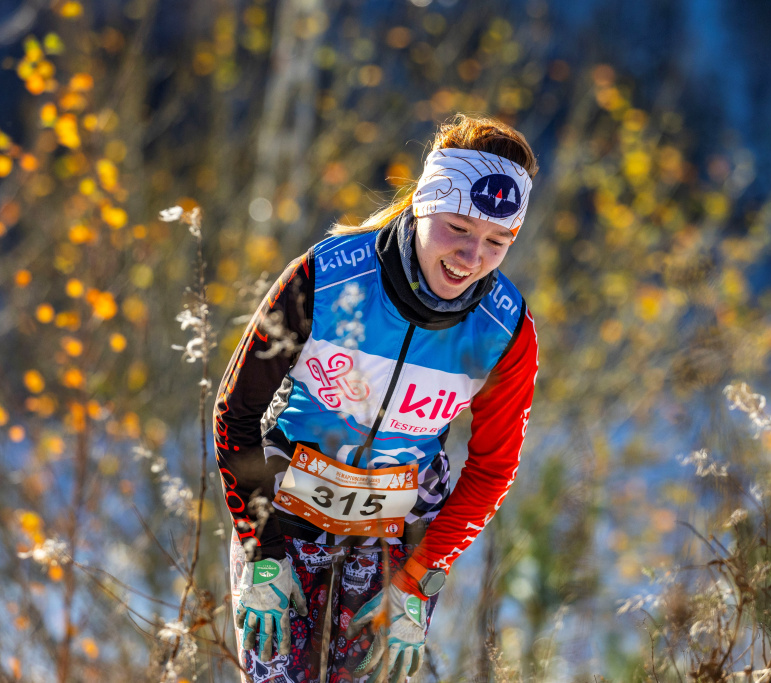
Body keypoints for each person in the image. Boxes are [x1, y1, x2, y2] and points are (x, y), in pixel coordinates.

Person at [213, 113, 539, 683]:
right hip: (284, 509)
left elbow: (493, 466)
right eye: (458, 227)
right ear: (421, 206)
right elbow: (236, 414)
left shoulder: (504, 330)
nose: (472, 257)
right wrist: (260, 547)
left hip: (399, 530)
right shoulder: (327, 276)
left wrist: (421, 577)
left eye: (496, 241)